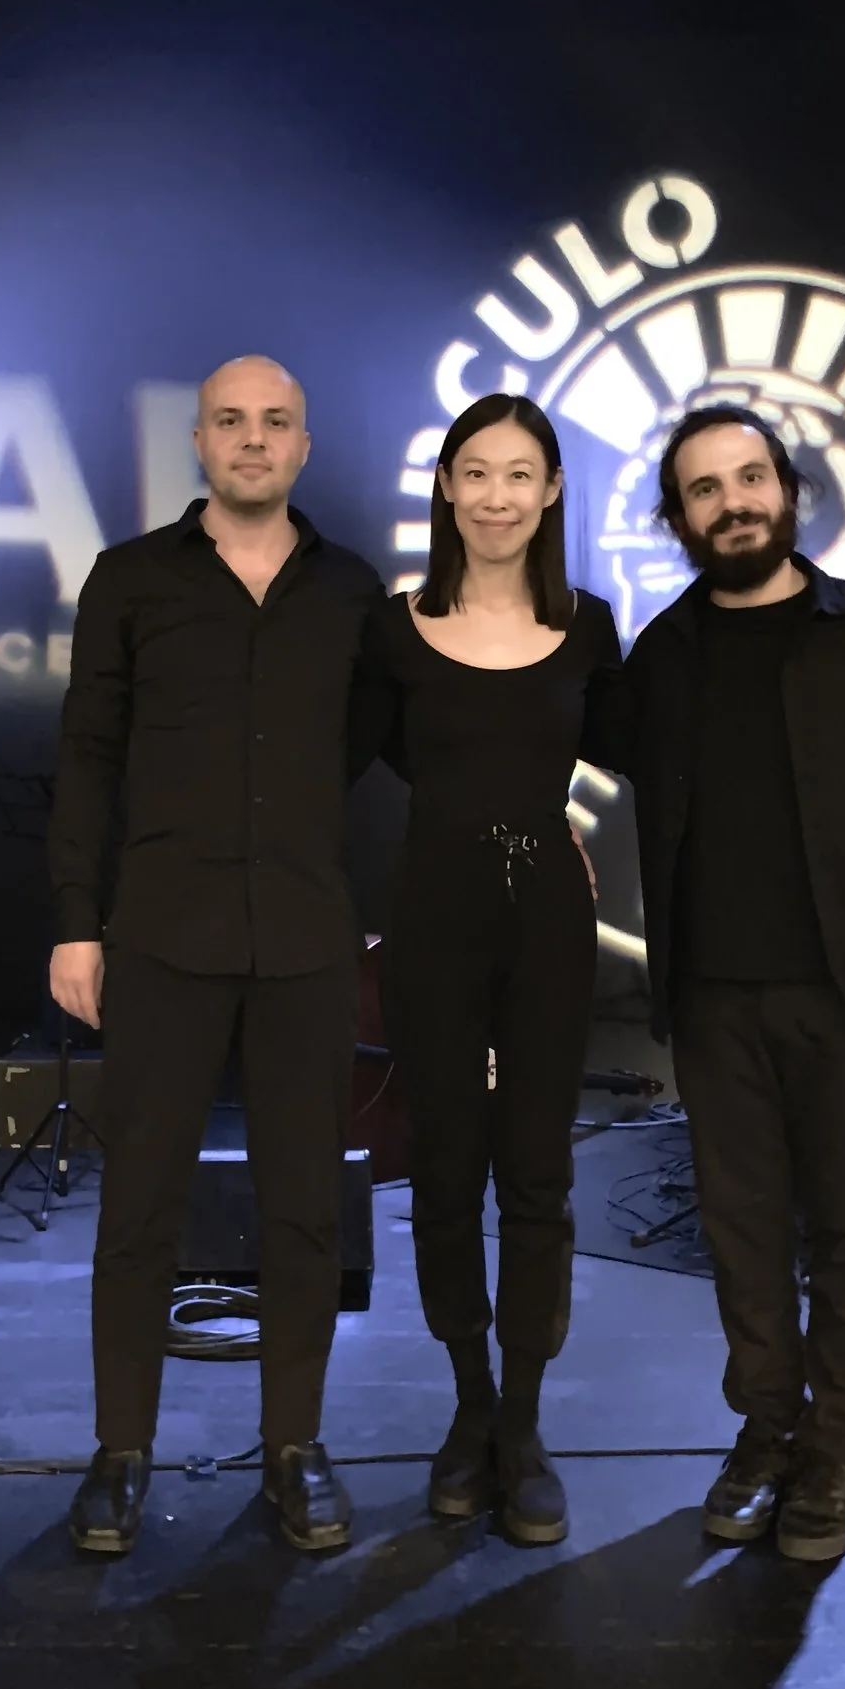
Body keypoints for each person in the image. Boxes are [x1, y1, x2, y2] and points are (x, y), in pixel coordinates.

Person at [625, 402, 845, 1561]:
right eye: (705, 490)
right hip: (717, 1002)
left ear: (788, 489)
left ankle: (833, 1454)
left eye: (750, 479)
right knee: (738, 1237)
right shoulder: (661, 656)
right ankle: (766, 1431)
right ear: (678, 518)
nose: (733, 504)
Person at [47, 355, 382, 1555]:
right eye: (231, 422)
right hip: (161, 935)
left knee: (305, 1213)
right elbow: (87, 754)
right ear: (198, 441)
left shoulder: (353, 591)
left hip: (302, 937)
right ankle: (118, 1454)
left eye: (275, 422)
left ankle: (293, 1448)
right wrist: (76, 919)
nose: (253, 440)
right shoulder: (129, 580)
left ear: (304, 444)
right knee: (139, 1207)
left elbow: (403, 743)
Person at [353, 394, 627, 1546]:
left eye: (520, 475)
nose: (498, 496)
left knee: (536, 1172)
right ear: (447, 488)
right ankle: (466, 1412)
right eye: (477, 473)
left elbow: (652, 756)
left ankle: (523, 1425)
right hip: (433, 908)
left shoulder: (590, 626)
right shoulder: (394, 623)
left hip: (552, 918)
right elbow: (334, 764)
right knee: (448, 1168)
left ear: (552, 491)